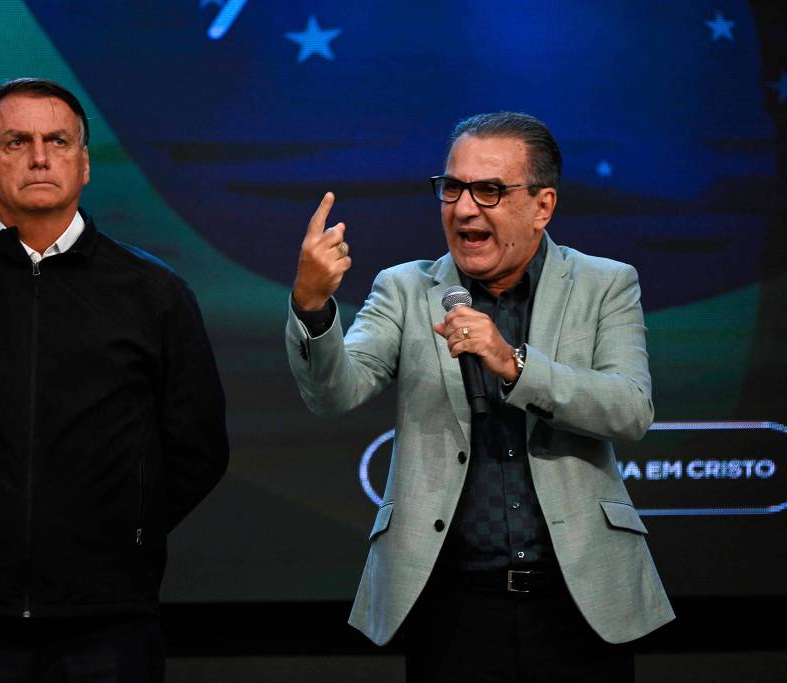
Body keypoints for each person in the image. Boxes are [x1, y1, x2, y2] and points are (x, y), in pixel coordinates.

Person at [286, 112, 673, 682]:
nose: (464, 208)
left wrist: (515, 366)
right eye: (452, 188)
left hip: (582, 600)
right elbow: (334, 392)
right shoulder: (405, 289)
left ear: (542, 206)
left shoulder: (604, 284)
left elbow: (630, 408)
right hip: (452, 607)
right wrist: (313, 306)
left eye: (490, 190)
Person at [0, 78, 228, 682]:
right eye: (16, 142)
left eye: (57, 140)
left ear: (84, 164)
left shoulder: (155, 295)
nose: (39, 156)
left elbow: (199, 448)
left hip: (109, 624)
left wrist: (122, 529)